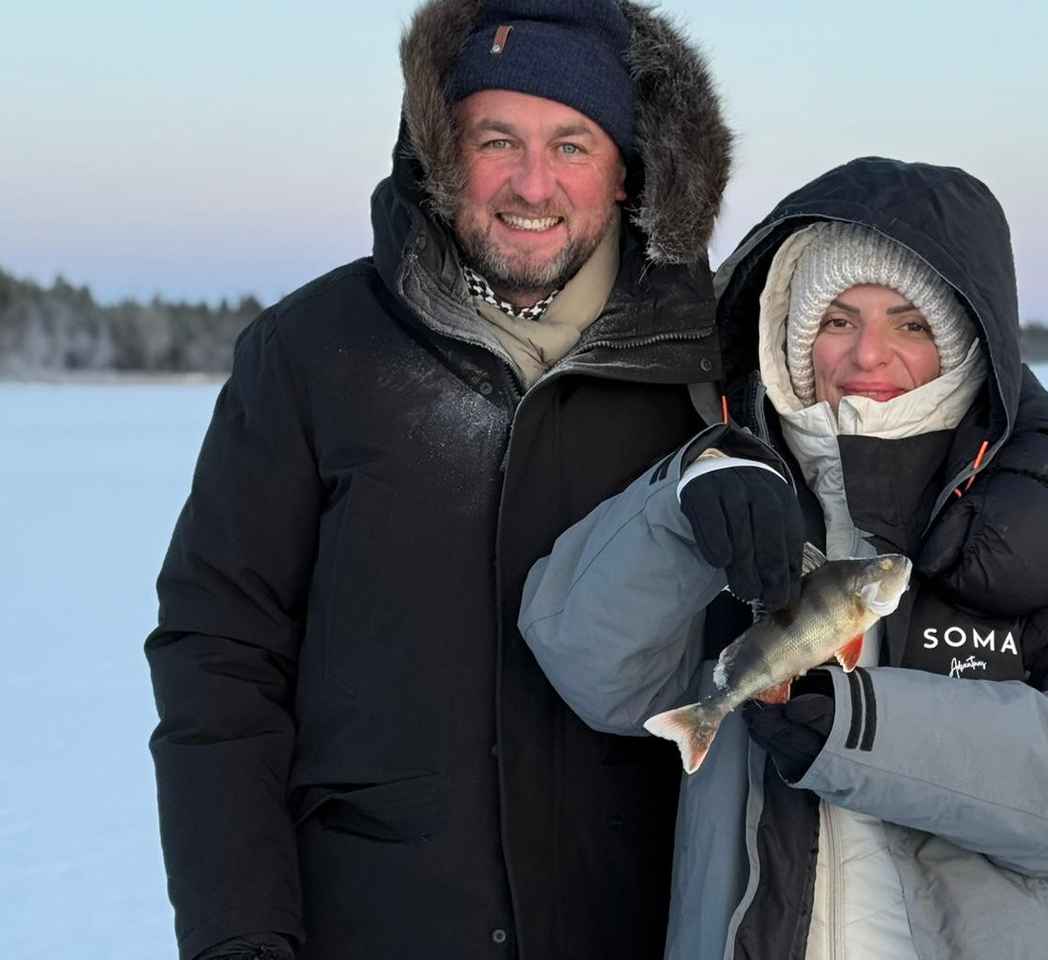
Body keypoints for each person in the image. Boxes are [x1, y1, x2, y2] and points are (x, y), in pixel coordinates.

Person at [143, 2, 732, 958]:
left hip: (636, 926)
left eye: (572, 144)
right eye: (496, 140)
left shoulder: (709, 369)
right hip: (373, 924)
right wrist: (238, 931)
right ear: (441, 156)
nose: (532, 184)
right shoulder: (311, 353)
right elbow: (220, 657)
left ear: (628, 171)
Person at [520, 157, 1048, 959]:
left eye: (911, 324)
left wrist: (864, 727)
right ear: (791, 337)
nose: (868, 355)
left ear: (967, 347)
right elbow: (592, 671)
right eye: (837, 320)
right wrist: (678, 506)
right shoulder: (733, 523)